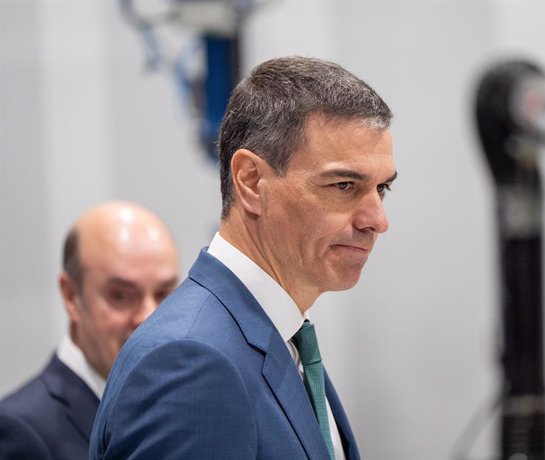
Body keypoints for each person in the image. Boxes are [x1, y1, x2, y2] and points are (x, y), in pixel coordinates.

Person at [90, 56, 397, 460]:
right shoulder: (192, 363)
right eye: (344, 185)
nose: (377, 220)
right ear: (251, 181)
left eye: (382, 190)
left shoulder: (277, 340)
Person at [0, 201, 180, 460]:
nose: (149, 317)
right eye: (120, 295)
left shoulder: (183, 408)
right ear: (71, 296)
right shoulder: (20, 431)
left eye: (163, 294)